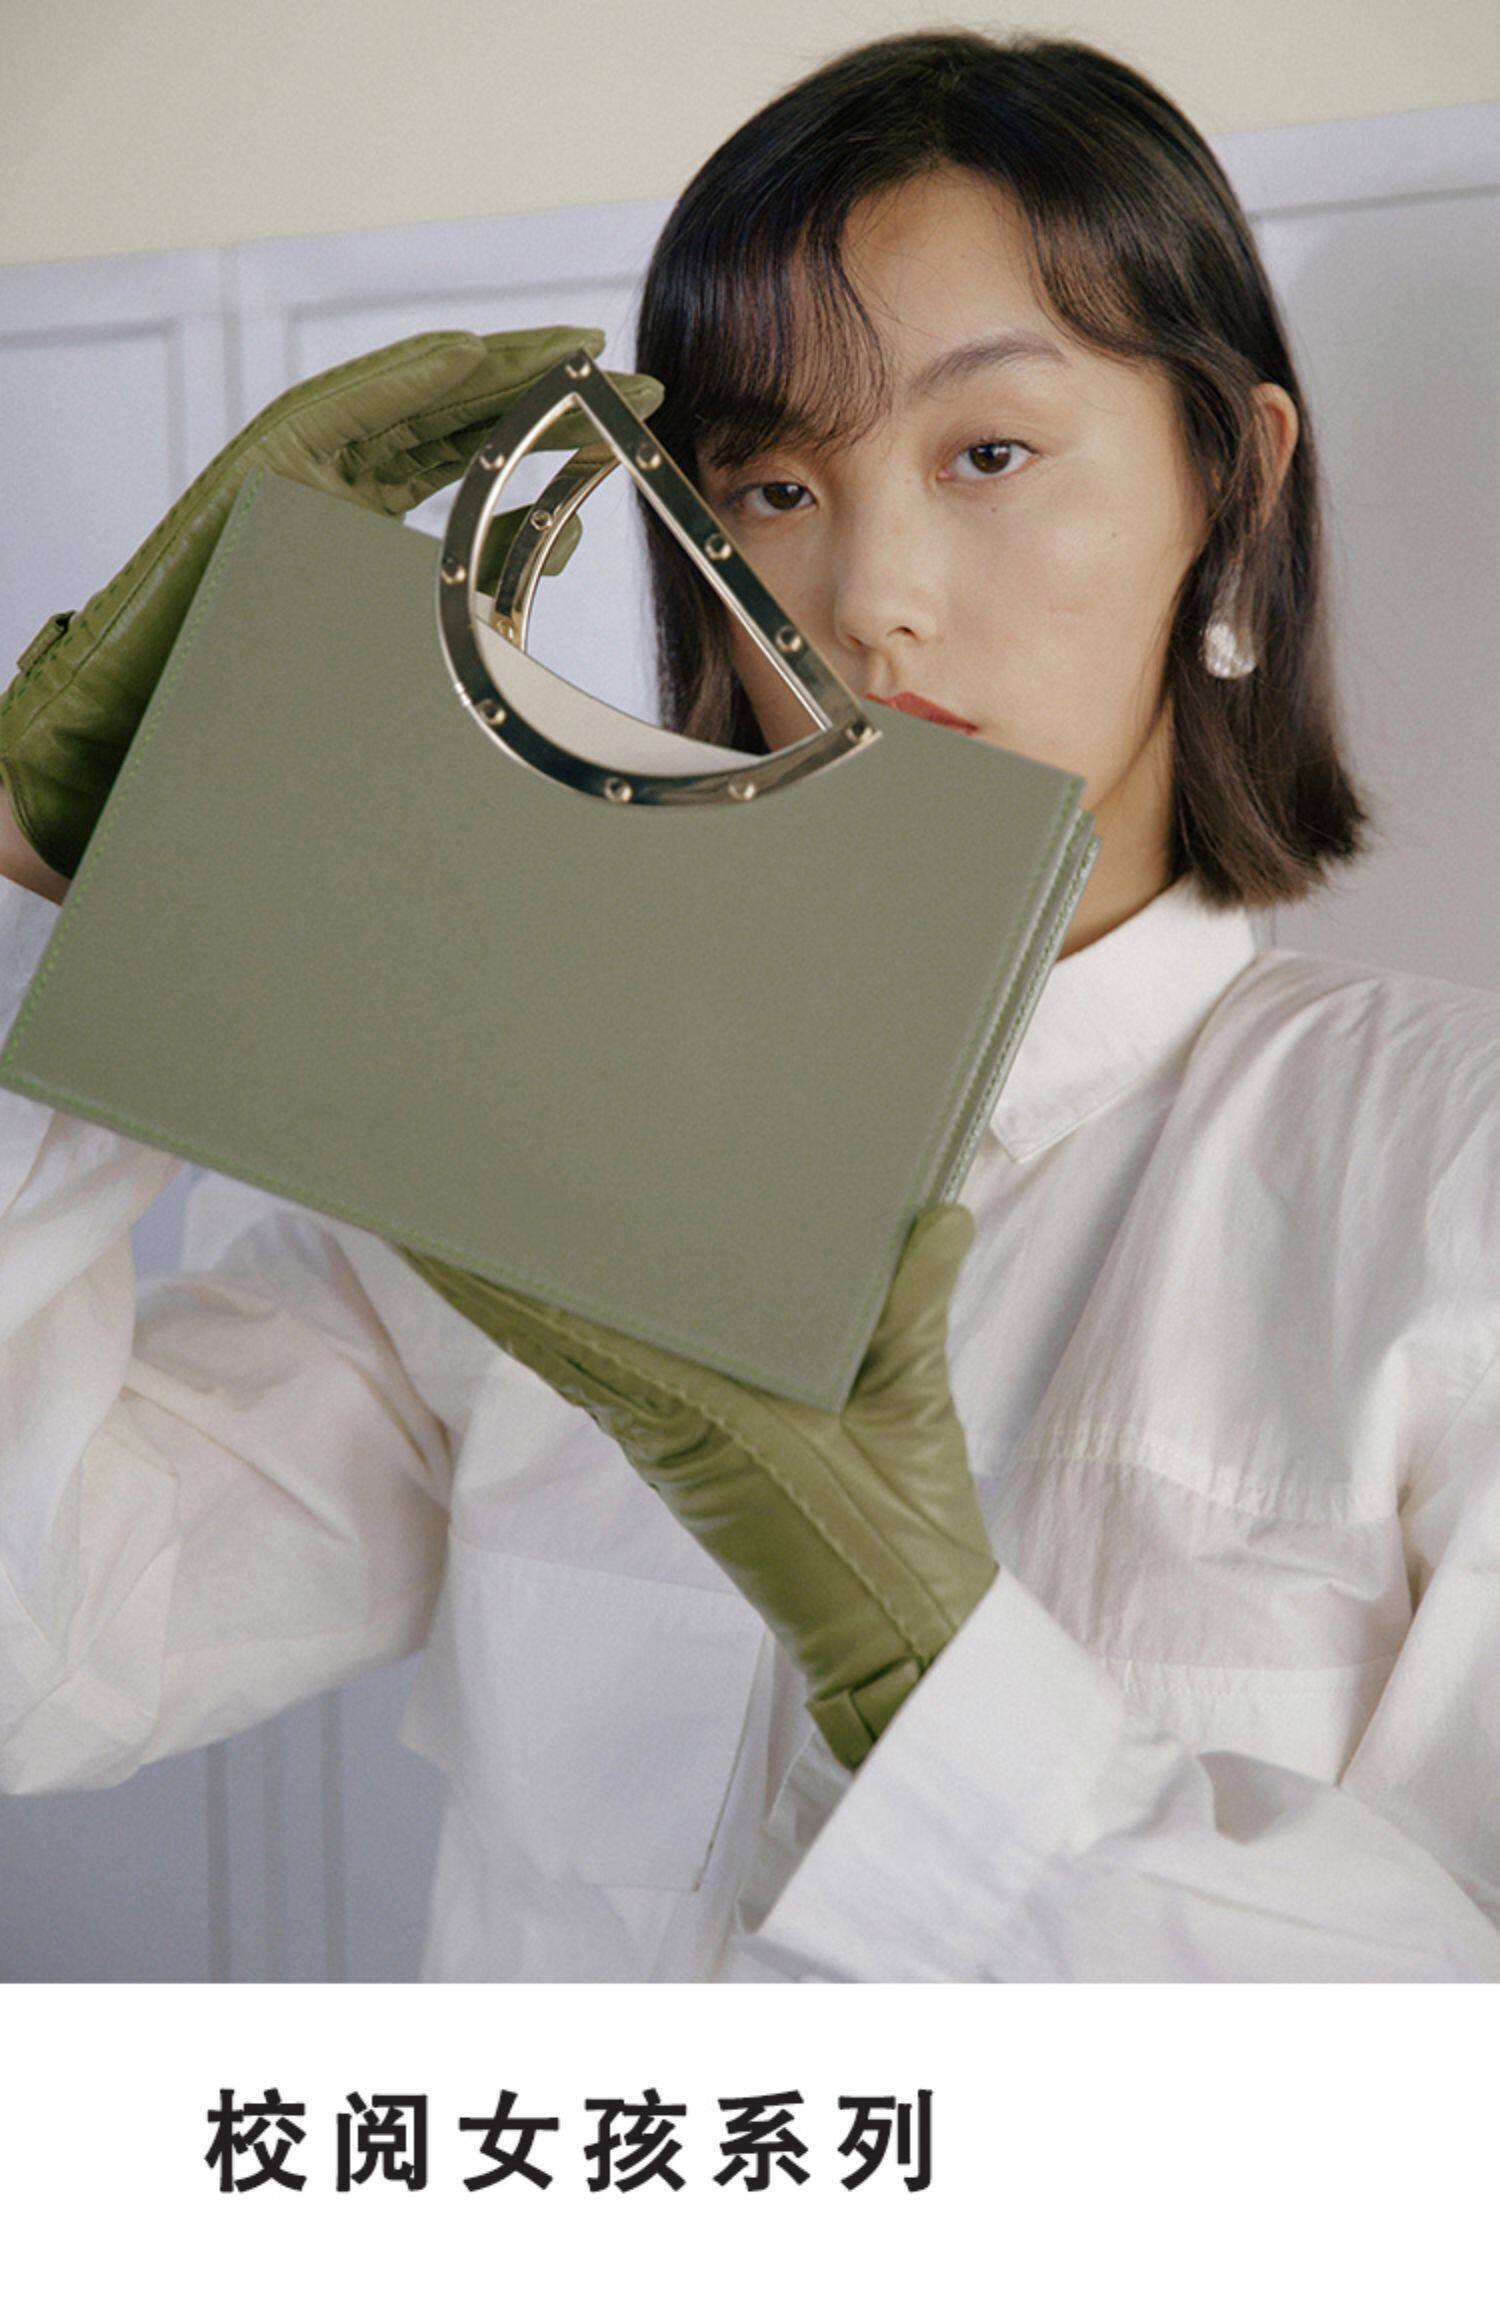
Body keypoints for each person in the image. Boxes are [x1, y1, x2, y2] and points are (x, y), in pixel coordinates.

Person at [2, 29, 1497, 1982]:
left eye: (988, 453)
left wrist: (934, 1687)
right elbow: (48, 1650)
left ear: (1236, 479)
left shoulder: (1445, 1170)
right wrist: (79, 883)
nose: (869, 599)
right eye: (774, 483)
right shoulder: (519, 1104)